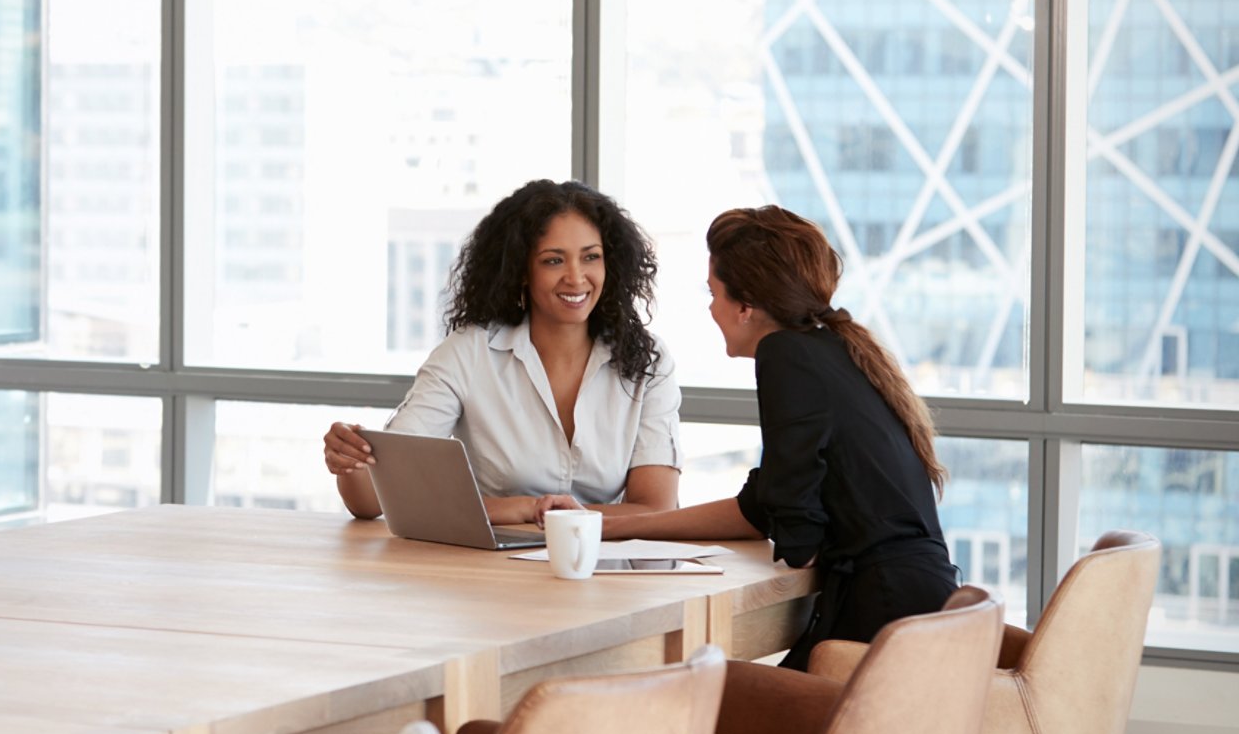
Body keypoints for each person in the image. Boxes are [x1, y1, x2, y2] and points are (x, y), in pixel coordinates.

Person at [605, 205, 959, 670]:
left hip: (882, 614)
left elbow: (796, 531)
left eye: (712, 293)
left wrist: (795, 530)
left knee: (700, 696)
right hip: (917, 602)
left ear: (746, 306)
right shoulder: (832, 348)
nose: (711, 307)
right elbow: (762, 506)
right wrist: (615, 524)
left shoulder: (785, 353)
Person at [322, 180, 682, 528]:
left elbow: (655, 507)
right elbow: (372, 499)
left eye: (591, 257)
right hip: (488, 574)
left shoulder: (647, 361)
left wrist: (547, 515)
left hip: (604, 569)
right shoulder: (469, 353)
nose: (576, 277)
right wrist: (350, 458)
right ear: (521, 270)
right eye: (553, 261)